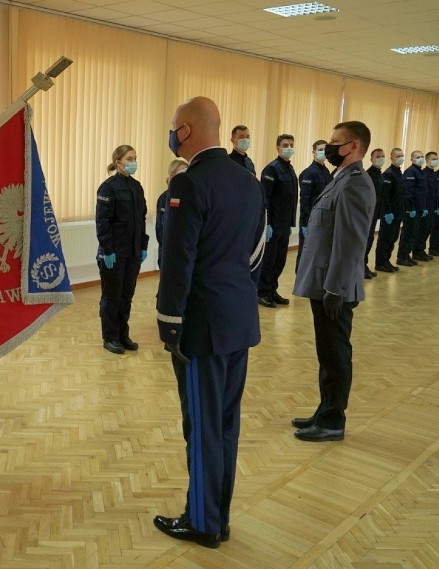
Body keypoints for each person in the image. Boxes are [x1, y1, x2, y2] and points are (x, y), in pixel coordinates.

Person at [154, 96, 265, 549]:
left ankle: (201, 523)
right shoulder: (247, 180)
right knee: (225, 424)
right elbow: (258, 251)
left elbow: (176, 260)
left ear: (185, 130)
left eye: (173, 128)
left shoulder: (189, 184)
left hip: (200, 327)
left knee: (201, 427)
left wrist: (169, 323)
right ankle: (219, 515)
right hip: (238, 318)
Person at [291, 121, 376, 442]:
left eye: (335, 142)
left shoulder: (356, 184)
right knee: (327, 352)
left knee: (336, 352)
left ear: (353, 146)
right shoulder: (340, 179)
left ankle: (333, 420)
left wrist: (335, 288)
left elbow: (350, 243)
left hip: (333, 287)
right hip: (324, 283)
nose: (329, 147)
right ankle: (324, 409)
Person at [95, 144, 149, 354]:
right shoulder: (108, 188)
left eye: (135, 158)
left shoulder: (137, 187)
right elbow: (103, 222)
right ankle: (110, 337)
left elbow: (141, 220)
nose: (133, 162)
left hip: (133, 252)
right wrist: (107, 250)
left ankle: (122, 335)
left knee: (127, 296)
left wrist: (143, 246)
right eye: (129, 158)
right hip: (114, 254)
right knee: (112, 297)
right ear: (118, 162)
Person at [257, 134, 298, 307]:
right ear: (277, 147)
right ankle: (263, 292)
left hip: (284, 225)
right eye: (285, 145)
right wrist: (266, 224)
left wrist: (290, 223)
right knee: (269, 261)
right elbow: (264, 199)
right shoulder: (271, 169)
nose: (288, 148)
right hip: (272, 225)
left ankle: (272, 290)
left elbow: (292, 198)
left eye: (291, 145)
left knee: (280, 261)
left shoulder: (290, 169)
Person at [296, 140, 331, 272]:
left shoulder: (326, 171)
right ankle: (300, 276)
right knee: (305, 251)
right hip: (310, 218)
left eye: (325, 150)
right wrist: (305, 222)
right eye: (320, 149)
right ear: (313, 152)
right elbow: (305, 199)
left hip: (323, 218)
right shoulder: (309, 173)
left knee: (318, 251)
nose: (323, 152)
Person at [374, 148, 405, 273]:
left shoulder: (399, 173)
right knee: (385, 239)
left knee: (393, 238)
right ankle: (380, 263)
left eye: (402, 155)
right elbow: (384, 196)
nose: (400, 158)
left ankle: (387, 261)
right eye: (398, 156)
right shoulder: (388, 174)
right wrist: (387, 212)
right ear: (391, 157)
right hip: (389, 213)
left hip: (397, 213)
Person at [156, 157, 188, 264]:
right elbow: (161, 229)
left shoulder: (189, 196)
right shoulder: (166, 197)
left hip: (185, 251)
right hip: (169, 252)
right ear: (173, 175)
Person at [396, 150, 425, 266]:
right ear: (412, 159)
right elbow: (408, 192)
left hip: (418, 209)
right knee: (407, 234)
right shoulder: (410, 172)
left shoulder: (419, 171)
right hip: (411, 209)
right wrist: (410, 208)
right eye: (418, 157)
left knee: (413, 233)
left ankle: (407, 255)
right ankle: (402, 257)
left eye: (422, 156)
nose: (420, 159)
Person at [364, 148, 386, 278]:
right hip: (368, 214)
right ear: (371, 159)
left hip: (375, 213)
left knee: (370, 240)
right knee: (365, 241)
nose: (380, 158)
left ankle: (364, 265)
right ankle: (360, 267)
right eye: (378, 156)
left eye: (382, 156)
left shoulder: (379, 173)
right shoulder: (369, 174)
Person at [414, 152, 439, 260]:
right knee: (422, 230)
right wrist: (424, 208)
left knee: (428, 229)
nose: (435, 161)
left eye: (437, 159)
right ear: (428, 160)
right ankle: (417, 252)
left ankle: (421, 250)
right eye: (433, 159)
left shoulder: (433, 173)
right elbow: (422, 193)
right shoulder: (424, 173)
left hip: (432, 207)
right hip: (426, 207)